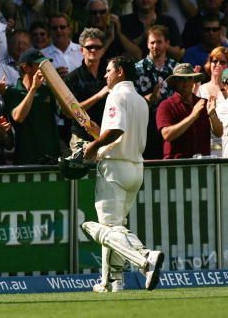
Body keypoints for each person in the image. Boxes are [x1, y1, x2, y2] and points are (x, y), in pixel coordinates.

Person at [81, 55, 163, 293]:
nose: (105, 75)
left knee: (107, 228)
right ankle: (112, 282)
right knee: (115, 229)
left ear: (120, 72)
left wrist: (93, 147)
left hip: (115, 167)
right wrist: (98, 137)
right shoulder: (139, 100)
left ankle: (145, 258)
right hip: (136, 168)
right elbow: (118, 131)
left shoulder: (117, 94)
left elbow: (116, 130)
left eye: (108, 70)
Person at [3, 49, 60, 164]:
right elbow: (18, 117)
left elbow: (65, 114)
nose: (44, 69)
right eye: (39, 65)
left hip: (51, 156)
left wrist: (58, 86)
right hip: (26, 157)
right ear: (25, 67)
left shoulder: (48, 91)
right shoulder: (12, 92)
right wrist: (33, 89)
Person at [157, 63, 223, 159]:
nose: (186, 83)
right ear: (175, 82)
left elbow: (219, 132)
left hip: (202, 165)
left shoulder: (203, 103)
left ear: (193, 81)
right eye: (181, 79)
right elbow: (167, 135)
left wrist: (212, 114)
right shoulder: (166, 105)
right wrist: (193, 116)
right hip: (176, 166)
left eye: (189, 78)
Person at [134, 24, 177, 159]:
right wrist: (146, 99)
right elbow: (130, 101)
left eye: (159, 42)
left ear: (167, 43)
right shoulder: (137, 68)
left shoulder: (175, 68)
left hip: (171, 127)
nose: (155, 46)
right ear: (147, 44)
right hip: (146, 127)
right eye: (152, 42)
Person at [65, 27, 108, 153]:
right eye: (89, 47)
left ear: (103, 50)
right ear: (81, 50)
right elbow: (70, 112)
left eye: (97, 47)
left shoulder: (110, 74)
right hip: (81, 138)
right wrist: (98, 96)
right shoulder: (72, 78)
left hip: (106, 136)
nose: (93, 50)